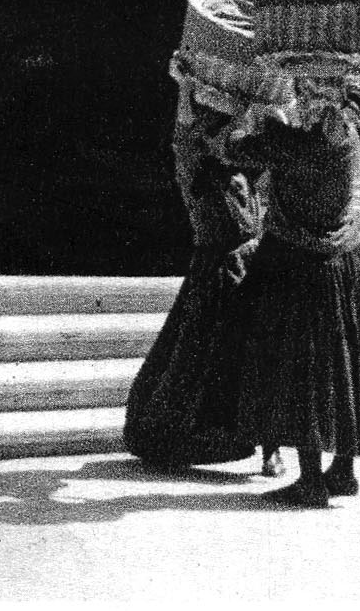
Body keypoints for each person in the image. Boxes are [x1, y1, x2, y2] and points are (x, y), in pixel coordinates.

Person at [225, 73, 360, 508]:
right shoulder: (349, 131)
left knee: (301, 368)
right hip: (344, 263)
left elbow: (230, 147)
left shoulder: (291, 144)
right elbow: (356, 99)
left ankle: (310, 480)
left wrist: (257, 108)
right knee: (343, 362)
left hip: (299, 266)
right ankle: (344, 470)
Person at [123, 73, 281, 473]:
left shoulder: (241, 169)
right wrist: (186, 83)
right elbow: (188, 135)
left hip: (248, 274)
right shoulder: (195, 170)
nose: (222, 132)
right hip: (213, 278)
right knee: (198, 363)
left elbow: (266, 139)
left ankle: (269, 447)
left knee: (256, 362)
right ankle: (178, 440)